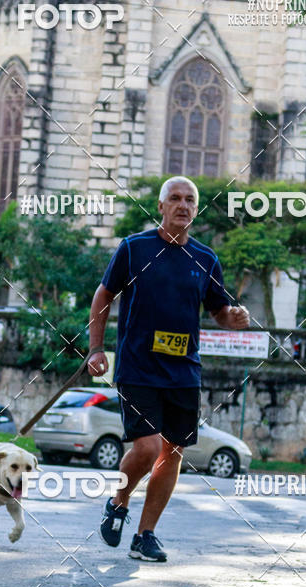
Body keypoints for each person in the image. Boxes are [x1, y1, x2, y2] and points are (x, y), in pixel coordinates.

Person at [87, 176, 250, 562]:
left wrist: (234, 317)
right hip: (138, 368)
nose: (182, 205)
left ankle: (146, 535)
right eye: (174, 198)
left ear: (196, 209)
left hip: (184, 373)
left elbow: (218, 311)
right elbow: (104, 295)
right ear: (160, 206)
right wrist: (96, 348)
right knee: (147, 448)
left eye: (189, 200)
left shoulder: (206, 259)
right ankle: (119, 502)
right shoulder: (133, 248)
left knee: (173, 453)